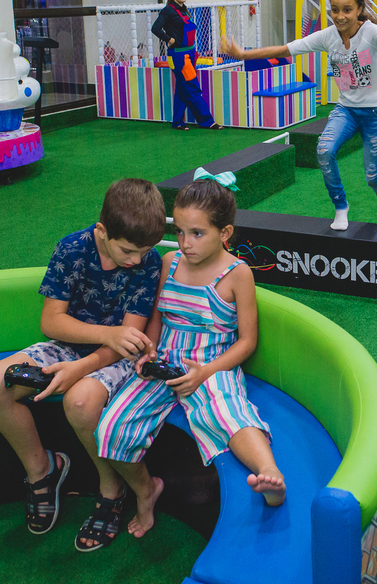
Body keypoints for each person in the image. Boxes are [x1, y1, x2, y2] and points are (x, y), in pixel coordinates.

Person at [0, 180, 166, 549]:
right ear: (102, 231)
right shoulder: (72, 248)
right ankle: (43, 472)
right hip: (67, 346)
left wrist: (82, 367)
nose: (136, 260)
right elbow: (51, 322)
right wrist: (104, 336)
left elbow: (127, 343)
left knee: (79, 402)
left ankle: (111, 490)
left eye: (144, 251)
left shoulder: (149, 262)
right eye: (128, 251)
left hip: (114, 358)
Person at [96, 177, 284, 541]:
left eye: (197, 233)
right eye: (180, 232)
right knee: (112, 427)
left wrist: (207, 372)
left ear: (224, 232)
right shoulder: (170, 262)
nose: (185, 242)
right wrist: (149, 350)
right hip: (165, 359)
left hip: (213, 362)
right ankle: (145, 490)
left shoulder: (238, 274)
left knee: (228, 412)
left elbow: (247, 342)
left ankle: (269, 473)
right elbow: (157, 318)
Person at [221, 0, 377, 230]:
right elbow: (286, 49)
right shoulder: (328, 36)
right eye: (335, 10)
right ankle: (340, 206)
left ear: (359, 9)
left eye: (347, 10)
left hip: (376, 112)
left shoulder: (370, 32)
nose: (340, 16)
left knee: (373, 176)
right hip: (346, 110)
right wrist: (244, 55)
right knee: (324, 150)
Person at [151, 0, 221, 130]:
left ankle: (177, 122)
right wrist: (169, 39)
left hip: (189, 53)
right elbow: (155, 28)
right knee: (192, 88)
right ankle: (207, 121)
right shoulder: (168, 11)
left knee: (181, 90)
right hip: (178, 56)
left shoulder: (184, 10)